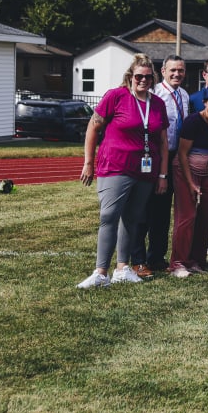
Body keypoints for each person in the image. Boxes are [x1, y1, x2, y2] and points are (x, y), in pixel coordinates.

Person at [76, 54, 170, 288]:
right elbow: (93, 127)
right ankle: (100, 272)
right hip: (116, 166)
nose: (143, 80)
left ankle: (122, 268)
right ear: (130, 76)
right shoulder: (115, 96)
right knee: (109, 216)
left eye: (148, 77)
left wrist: (162, 174)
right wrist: (89, 162)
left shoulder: (157, 103)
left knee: (133, 219)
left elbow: (163, 142)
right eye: (139, 76)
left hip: (146, 170)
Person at [133, 53, 190, 276]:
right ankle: (137, 258)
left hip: (177, 155)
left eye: (181, 70)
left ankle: (156, 257)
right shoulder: (154, 94)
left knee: (163, 212)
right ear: (163, 71)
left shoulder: (184, 95)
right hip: (154, 155)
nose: (177, 74)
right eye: (173, 70)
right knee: (145, 210)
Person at [171, 83, 208, 278]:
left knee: (205, 217)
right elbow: (182, 153)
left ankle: (196, 260)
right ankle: (178, 262)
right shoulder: (193, 121)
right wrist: (190, 183)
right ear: (204, 102)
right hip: (186, 171)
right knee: (187, 217)